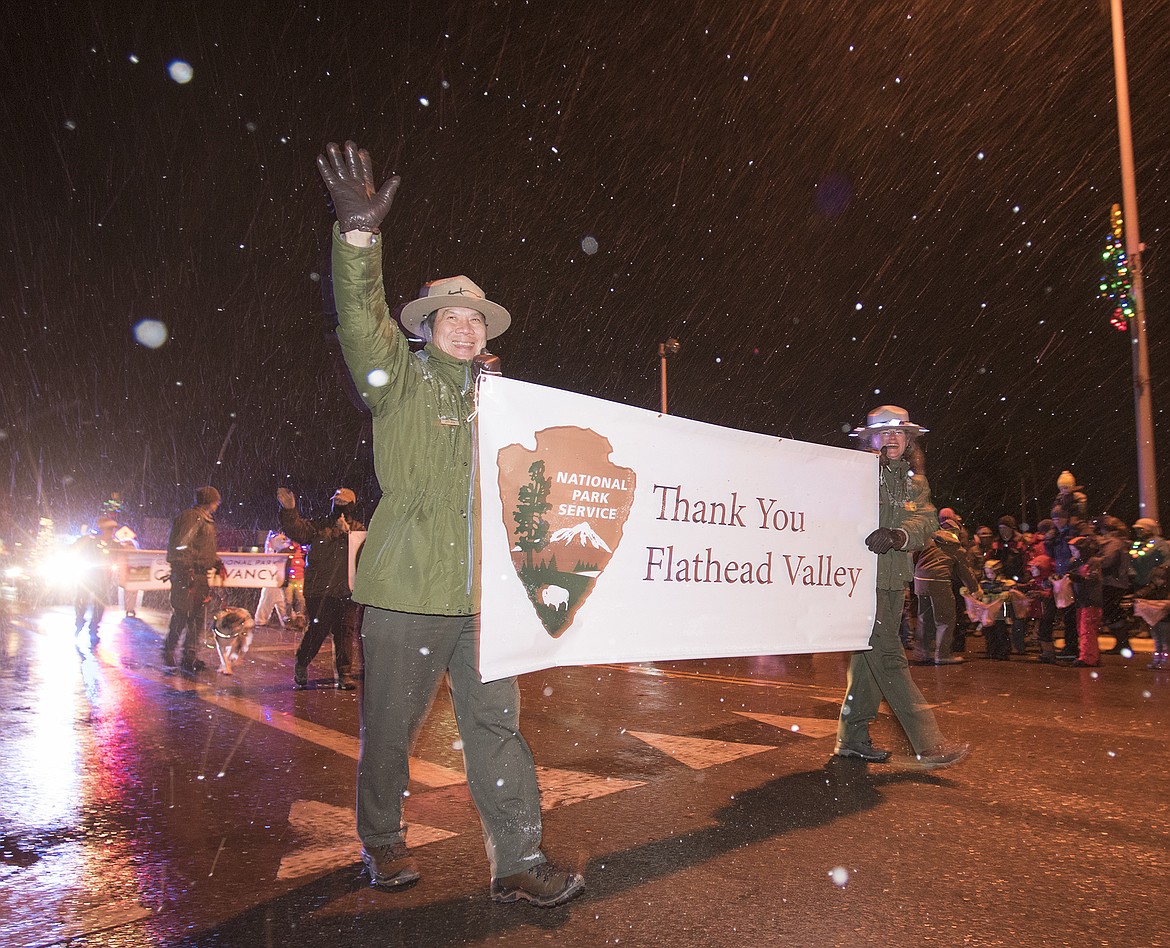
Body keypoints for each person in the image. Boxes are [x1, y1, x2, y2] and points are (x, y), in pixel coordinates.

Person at [315, 140, 584, 907]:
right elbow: (362, 322)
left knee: (498, 730)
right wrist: (359, 240)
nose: (464, 328)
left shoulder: (506, 402)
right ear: (428, 326)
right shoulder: (396, 380)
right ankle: (383, 841)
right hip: (405, 595)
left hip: (486, 602)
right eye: (449, 317)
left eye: (474, 318)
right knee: (391, 734)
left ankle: (519, 860)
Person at [833, 405, 969, 769]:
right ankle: (928, 743)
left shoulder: (915, 482)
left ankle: (853, 738)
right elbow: (830, 513)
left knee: (867, 661)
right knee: (889, 658)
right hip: (858, 580)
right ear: (870, 439)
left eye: (899, 433)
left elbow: (924, 520)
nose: (892, 438)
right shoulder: (851, 475)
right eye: (884, 432)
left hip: (894, 582)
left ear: (908, 440)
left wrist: (899, 534)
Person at [277, 487, 364, 690]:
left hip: (346, 592)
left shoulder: (359, 530)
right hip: (320, 591)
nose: (340, 507)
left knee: (345, 633)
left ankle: (344, 674)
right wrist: (290, 510)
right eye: (337, 502)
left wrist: (348, 534)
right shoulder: (318, 526)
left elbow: (364, 556)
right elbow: (297, 530)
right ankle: (302, 662)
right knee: (318, 630)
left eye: (344, 503)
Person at [163, 487, 224, 674]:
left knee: (197, 617)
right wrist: (186, 570)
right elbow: (182, 545)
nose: (217, 504)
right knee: (182, 614)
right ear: (209, 501)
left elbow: (203, 549)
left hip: (199, 575)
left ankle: (189, 656)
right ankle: (168, 649)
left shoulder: (205, 519)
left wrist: (216, 563)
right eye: (216, 501)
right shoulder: (191, 517)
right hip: (188, 575)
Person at [911, 509, 978, 665]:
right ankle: (943, 654)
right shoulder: (955, 547)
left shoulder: (929, 540)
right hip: (940, 582)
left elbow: (915, 556)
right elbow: (965, 572)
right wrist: (975, 589)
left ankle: (923, 651)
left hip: (920, 580)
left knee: (924, 618)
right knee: (945, 619)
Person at [73, 516, 120, 645]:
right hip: (88, 576)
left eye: (112, 529)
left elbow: (119, 559)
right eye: (108, 528)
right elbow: (80, 553)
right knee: (81, 602)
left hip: (103, 580)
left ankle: (93, 629)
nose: (111, 531)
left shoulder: (115, 544)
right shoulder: (91, 542)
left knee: (99, 606)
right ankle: (79, 622)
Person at [1068, 535, 1103, 667]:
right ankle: (1090, 655)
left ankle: (1088, 657)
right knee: (1083, 629)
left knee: (1087, 629)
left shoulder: (1093, 562)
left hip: (1090, 601)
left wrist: (1078, 578)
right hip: (1082, 600)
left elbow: (1093, 579)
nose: (1073, 553)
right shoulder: (1078, 562)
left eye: (1074, 550)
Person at [254, 530, 295, 629]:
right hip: (272, 580)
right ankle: (287, 619)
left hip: (276, 580)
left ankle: (287, 619)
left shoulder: (281, 551)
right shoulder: (273, 551)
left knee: (275, 601)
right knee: (273, 601)